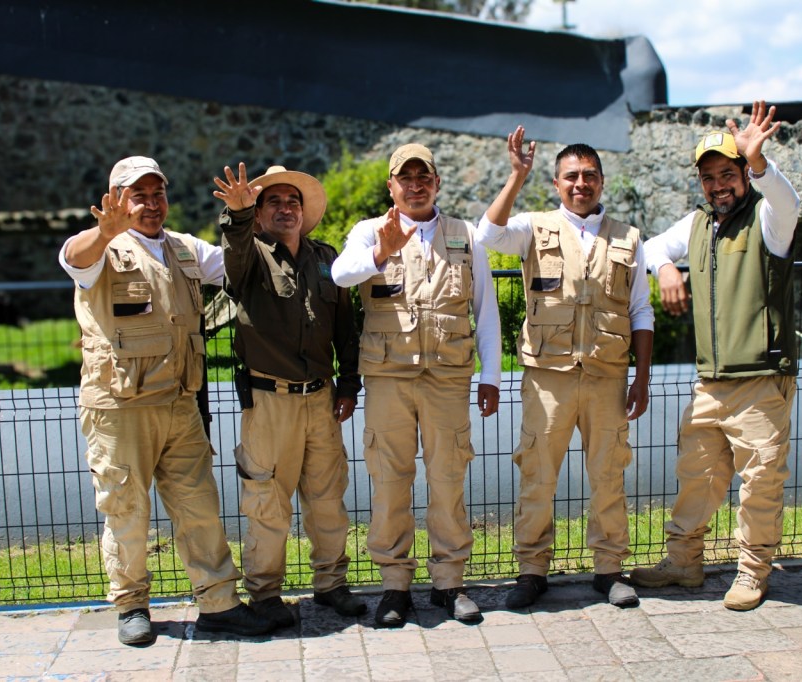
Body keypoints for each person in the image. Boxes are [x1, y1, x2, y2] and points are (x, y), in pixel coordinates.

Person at [59, 156, 272, 645]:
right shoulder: (100, 249)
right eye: (139, 196)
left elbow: (240, 262)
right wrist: (104, 231)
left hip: (180, 404)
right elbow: (75, 259)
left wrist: (243, 216)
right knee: (126, 509)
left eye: (158, 194)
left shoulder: (185, 249)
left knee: (199, 506)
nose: (151, 205)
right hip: (120, 408)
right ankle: (131, 605)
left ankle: (219, 604)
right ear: (116, 199)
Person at [631, 100, 801, 611]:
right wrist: (664, 269)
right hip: (711, 381)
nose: (718, 185)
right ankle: (684, 562)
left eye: (728, 173)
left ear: (745, 174)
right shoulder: (698, 223)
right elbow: (647, 249)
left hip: (760, 380)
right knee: (697, 475)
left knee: (760, 482)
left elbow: (788, 201)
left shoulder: (770, 221)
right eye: (708, 177)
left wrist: (760, 163)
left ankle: (753, 571)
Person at [477, 128, 654, 609]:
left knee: (608, 472)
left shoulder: (627, 238)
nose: (581, 184)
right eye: (571, 176)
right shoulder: (534, 227)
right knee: (537, 473)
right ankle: (532, 570)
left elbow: (641, 310)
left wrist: (641, 376)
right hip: (548, 378)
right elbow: (487, 234)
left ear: (602, 182)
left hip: (607, 376)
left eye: (589, 176)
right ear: (556, 183)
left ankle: (609, 569)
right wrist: (517, 176)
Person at [332, 143, 502, 627]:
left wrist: (490, 376)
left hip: (447, 380)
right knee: (390, 480)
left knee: (449, 478)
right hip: (388, 379)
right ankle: (395, 585)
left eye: (422, 176)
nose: (415, 185)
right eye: (404, 178)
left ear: (436, 182)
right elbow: (340, 275)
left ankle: (450, 582)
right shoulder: (370, 231)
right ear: (391, 185)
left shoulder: (465, 235)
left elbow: (485, 311)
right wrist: (380, 251)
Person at [213, 162, 366, 629]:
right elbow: (234, 249)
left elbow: (346, 327)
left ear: (304, 211)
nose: (285, 209)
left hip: (321, 400)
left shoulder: (325, 257)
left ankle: (332, 584)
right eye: (273, 202)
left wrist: (349, 383)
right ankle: (264, 595)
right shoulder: (247, 256)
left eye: (292, 201)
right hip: (269, 402)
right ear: (259, 214)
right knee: (267, 503)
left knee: (327, 496)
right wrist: (236, 216)